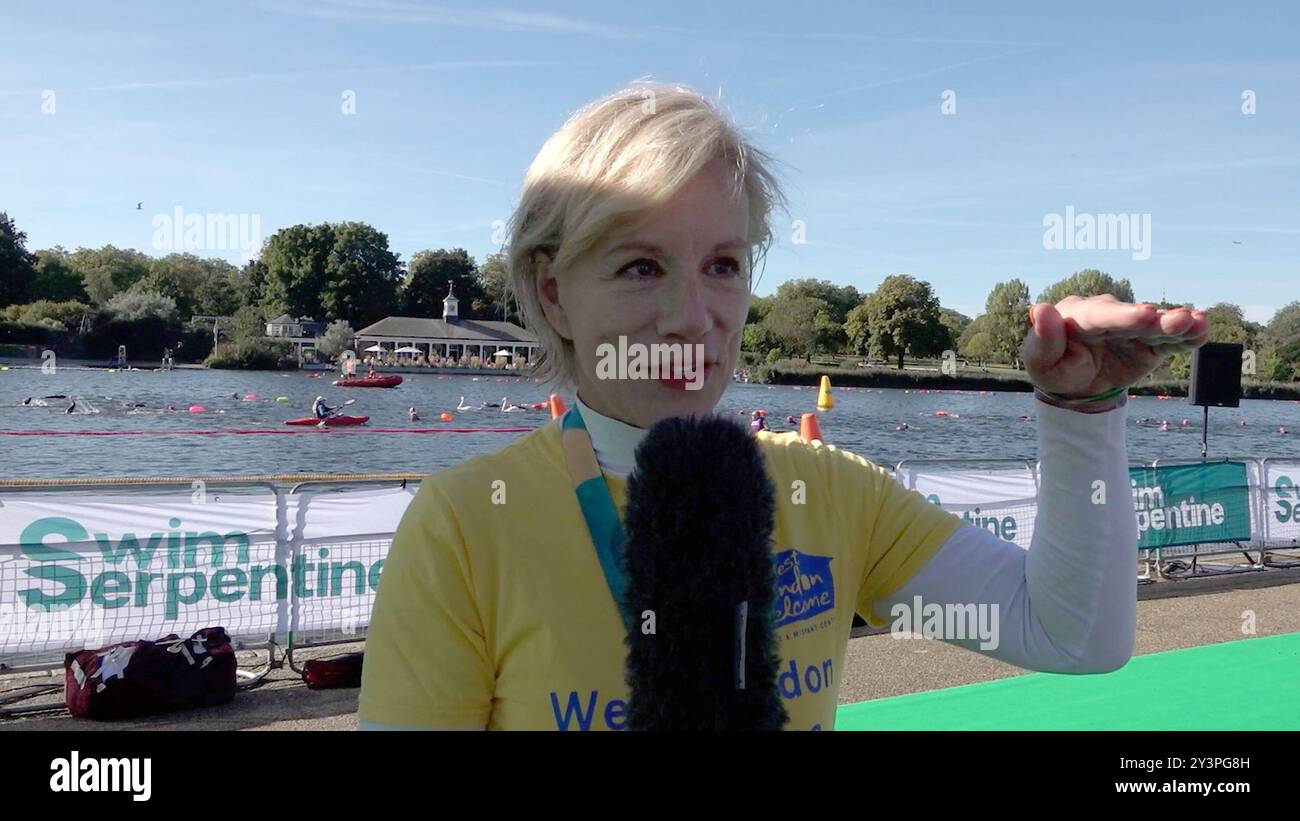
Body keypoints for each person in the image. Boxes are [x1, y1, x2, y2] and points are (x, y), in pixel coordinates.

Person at [358, 83, 1210, 732]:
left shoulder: (830, 491)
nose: (695, 316)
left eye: (723, 263)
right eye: (640, 266)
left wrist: (1081, 412)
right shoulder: (463, 528)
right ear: (553, 294)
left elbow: (1073, 638)